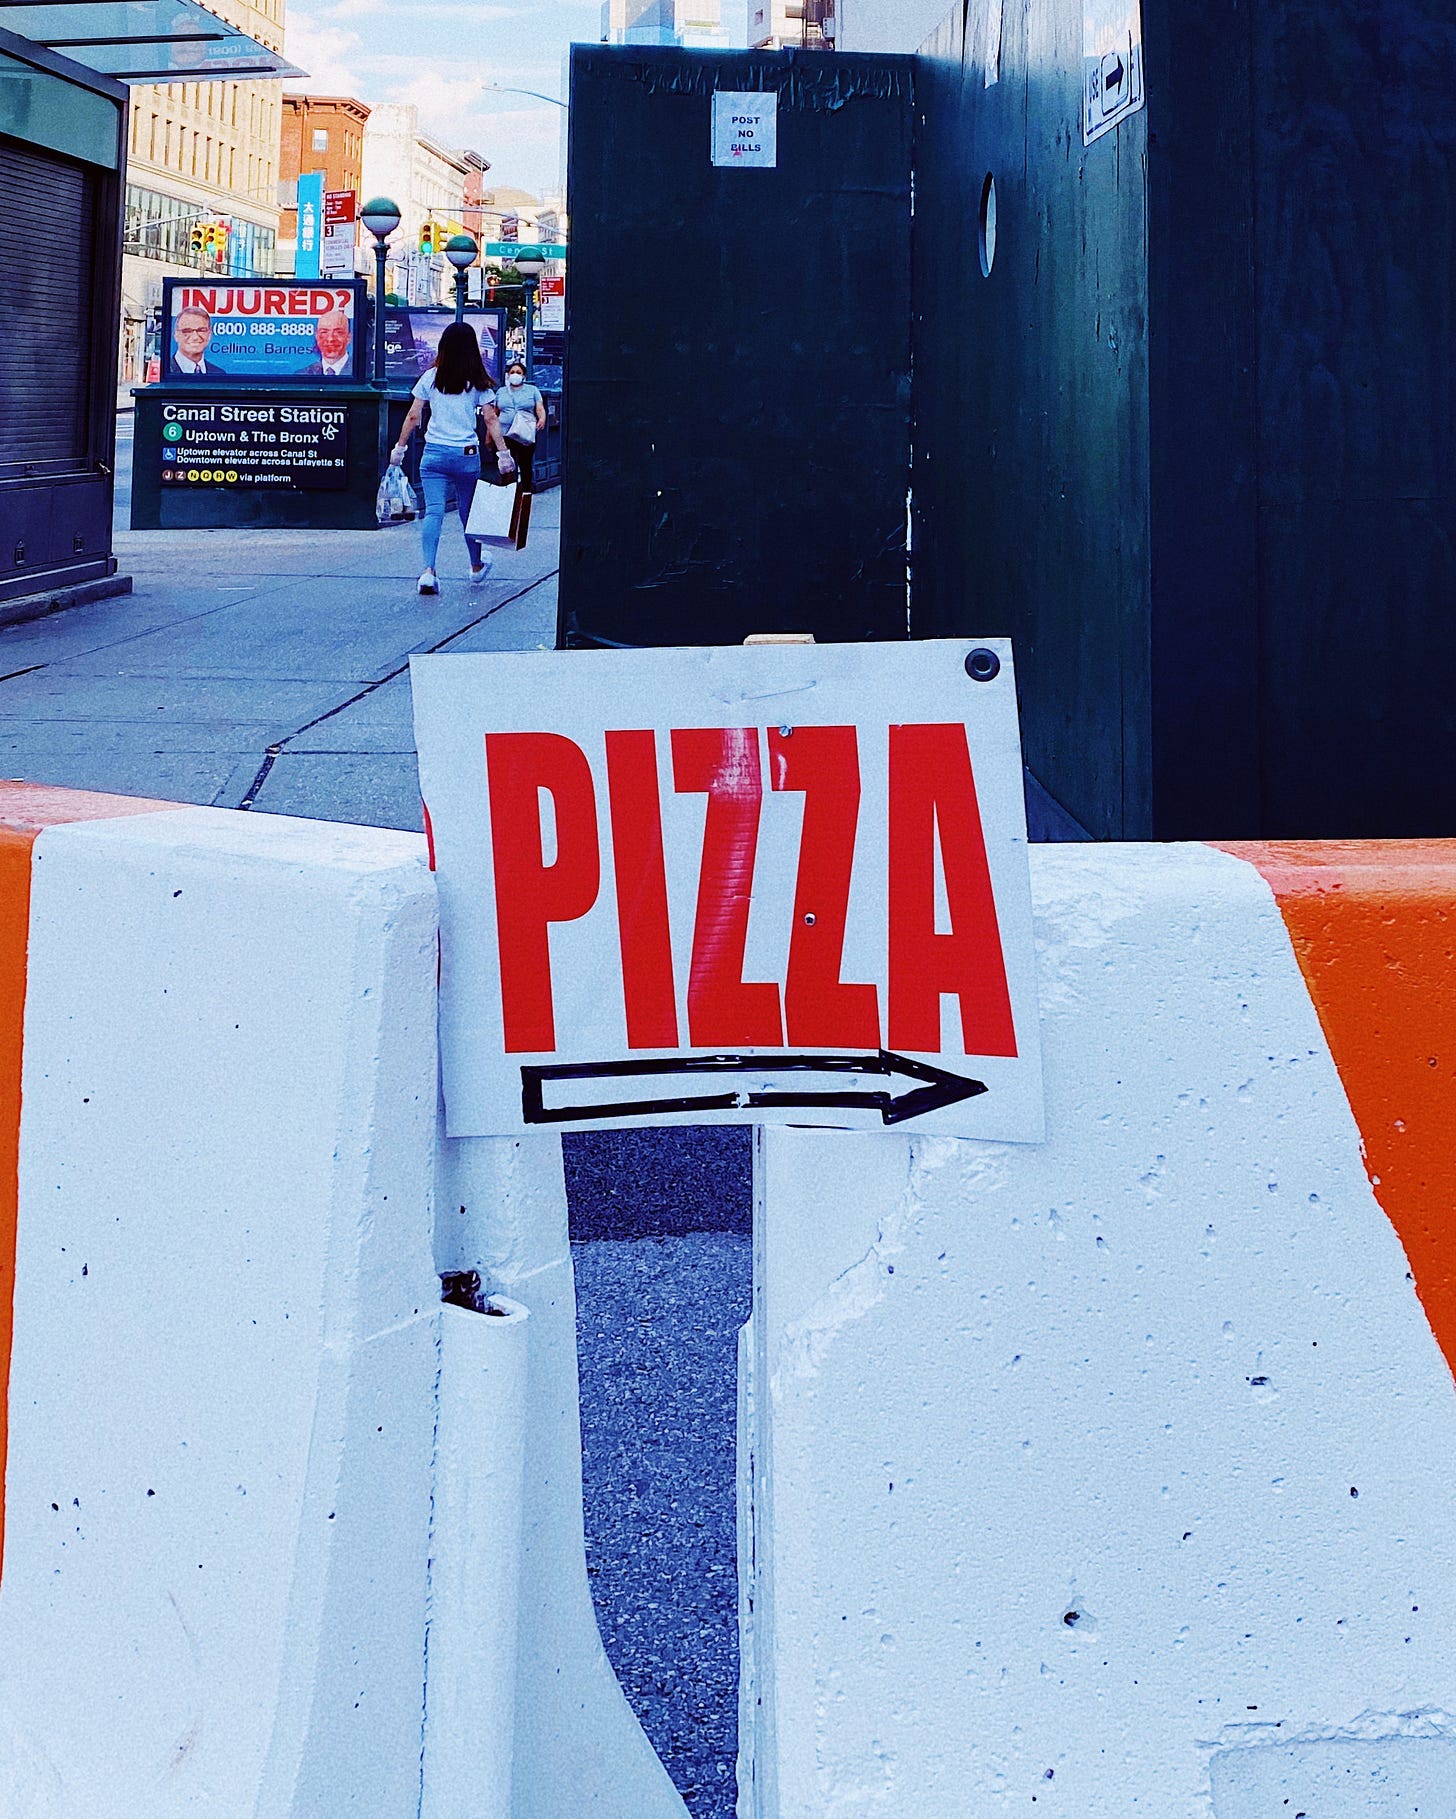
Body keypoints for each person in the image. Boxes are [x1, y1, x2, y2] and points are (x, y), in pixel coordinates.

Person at [390, 322, 514, 595]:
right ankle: (476, 566)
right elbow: (491, 418)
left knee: (433, 512)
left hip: (433, 453)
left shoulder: (431, 377)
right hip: (465, 455)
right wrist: (504, 454)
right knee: (468, 513)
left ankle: (428, 572)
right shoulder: (478, 382)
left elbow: (413, 415)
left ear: (443, 346)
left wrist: (399, 448)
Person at [493, 359, 547, 491]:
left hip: (525, 433)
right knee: (507, 464)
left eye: (518, 372)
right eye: (512, 372)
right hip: (505, 433)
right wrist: (490, 434)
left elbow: (539, 407)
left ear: (524, 376)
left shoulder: (532, 390)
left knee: (525, 463)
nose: (515, 374)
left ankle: (525, 491)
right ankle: (508, 491)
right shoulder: (501, 392)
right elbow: (495, 413)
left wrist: (542, 419)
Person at [171, 306, 227, 377]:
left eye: (201, 330)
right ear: (176, 335)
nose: (195, 337)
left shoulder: (219, 373)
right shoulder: (165, 369)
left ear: (209, 334)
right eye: (187, 331)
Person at [299, 309, 352, 378]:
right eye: (324, 332)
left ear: (349, 337)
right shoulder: (303, 374)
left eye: (338, 332)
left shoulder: (360, 370)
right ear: (317, 336)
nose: (330, 339)